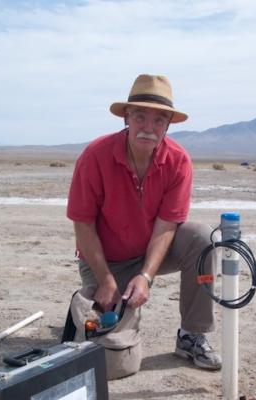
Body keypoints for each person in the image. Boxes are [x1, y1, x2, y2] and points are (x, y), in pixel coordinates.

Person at [67, 74, 221, 379]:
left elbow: (168, 225)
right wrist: (106, 280)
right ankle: (93, 306)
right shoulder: (95, 156)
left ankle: (191, 336)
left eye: (159, 120)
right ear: (126, 117)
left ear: (168, 125)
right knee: (113, 352)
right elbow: (83, 225)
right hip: (105, 260)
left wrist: (146, 276)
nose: (149, 127)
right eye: (140, 117)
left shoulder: (178, 161)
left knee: (201, 238)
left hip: (152, 252)